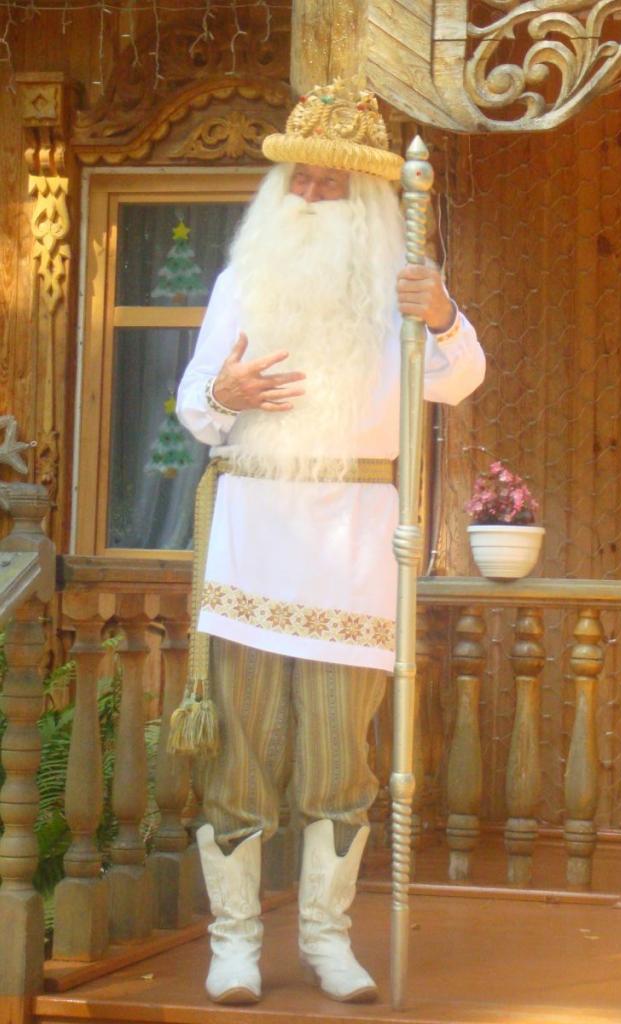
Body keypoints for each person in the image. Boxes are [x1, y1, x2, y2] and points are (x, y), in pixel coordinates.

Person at [176, 81, 485, 1006]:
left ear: (368, 200)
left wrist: (441, 312)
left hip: (352, 553)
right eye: (299, 180)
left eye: (329, 183)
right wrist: (224, 396)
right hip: (250, 542)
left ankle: (326, 940)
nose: (309, 196)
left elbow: (461, 377)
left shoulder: (402, 295)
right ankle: (234, 945)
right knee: (238, 750)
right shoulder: (241, 283)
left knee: (338, 759)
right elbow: (193, 407)